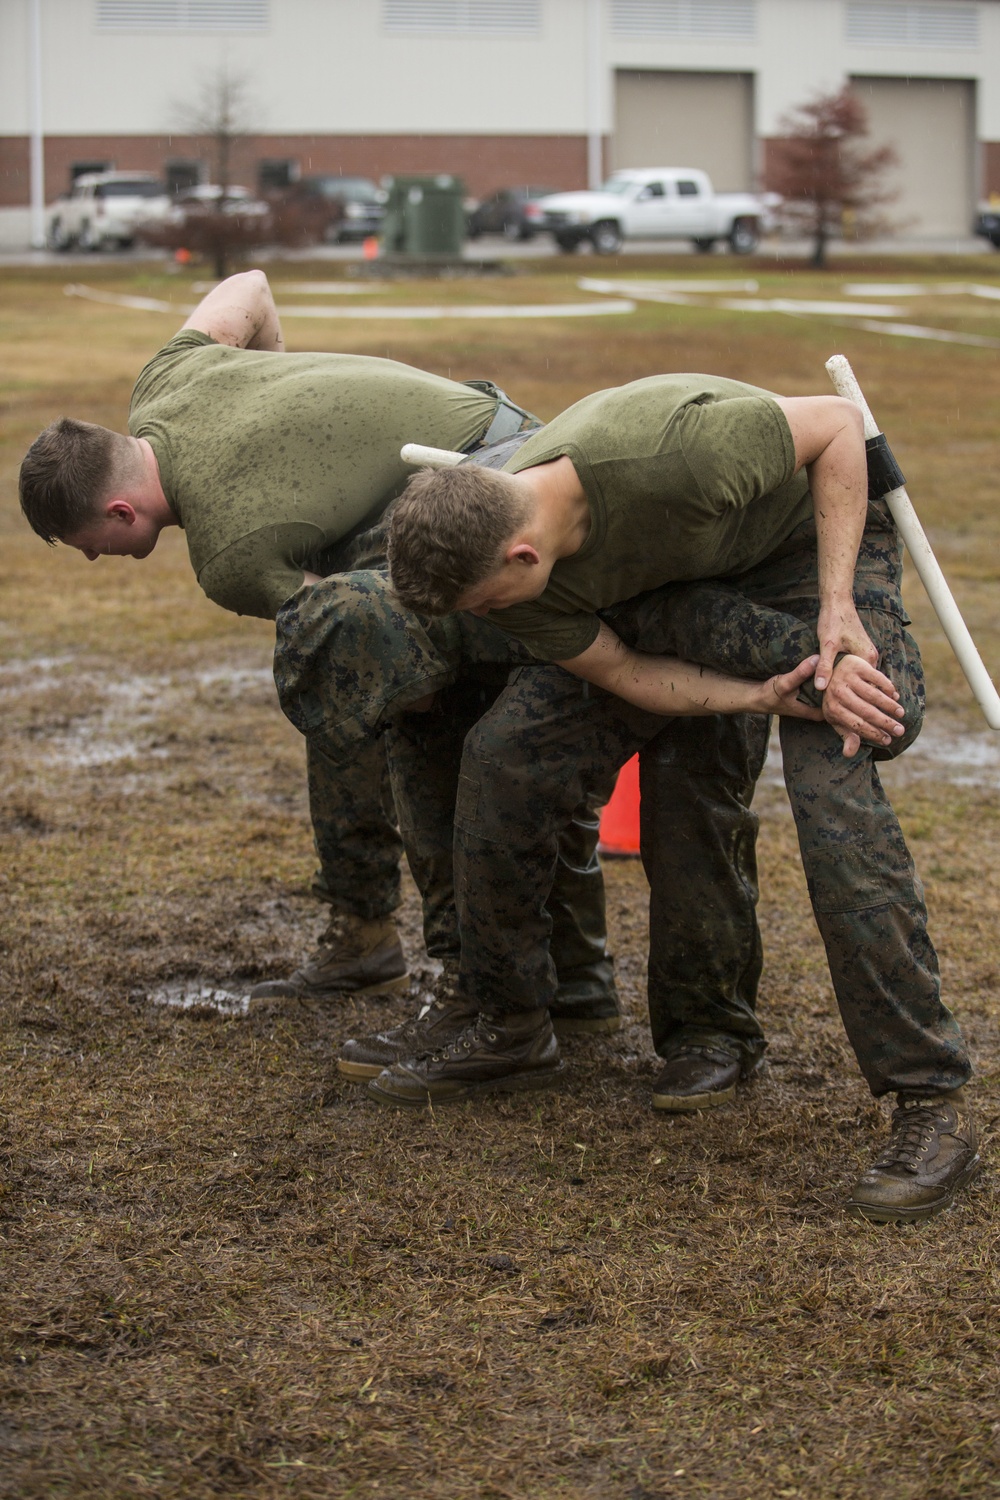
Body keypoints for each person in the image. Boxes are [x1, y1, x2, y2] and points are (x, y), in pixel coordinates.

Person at [380, 374, 979, 1223]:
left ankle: (930, 1103)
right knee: (507, 753)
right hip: (670, 603)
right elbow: (626, 673)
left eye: (483, 605)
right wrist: (760, 696)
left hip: (801, 552)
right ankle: (512, 1017)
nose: (488, 618)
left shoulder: (666, 456)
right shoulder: (520, 563)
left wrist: (839, 618)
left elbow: (840, 427)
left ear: (520, 556)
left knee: (835, 796)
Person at [16, 270, 618, 1027]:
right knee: (360, 701)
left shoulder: (229, 553)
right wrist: (273, 384)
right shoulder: (166, 377)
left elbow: (364, 649)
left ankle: (507, 981)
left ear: (120, 508)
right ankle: (393, 945)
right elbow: (252, 286)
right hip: (521, 441)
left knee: (413, 717)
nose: (94, 560)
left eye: (91, 545)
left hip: (475, 510)